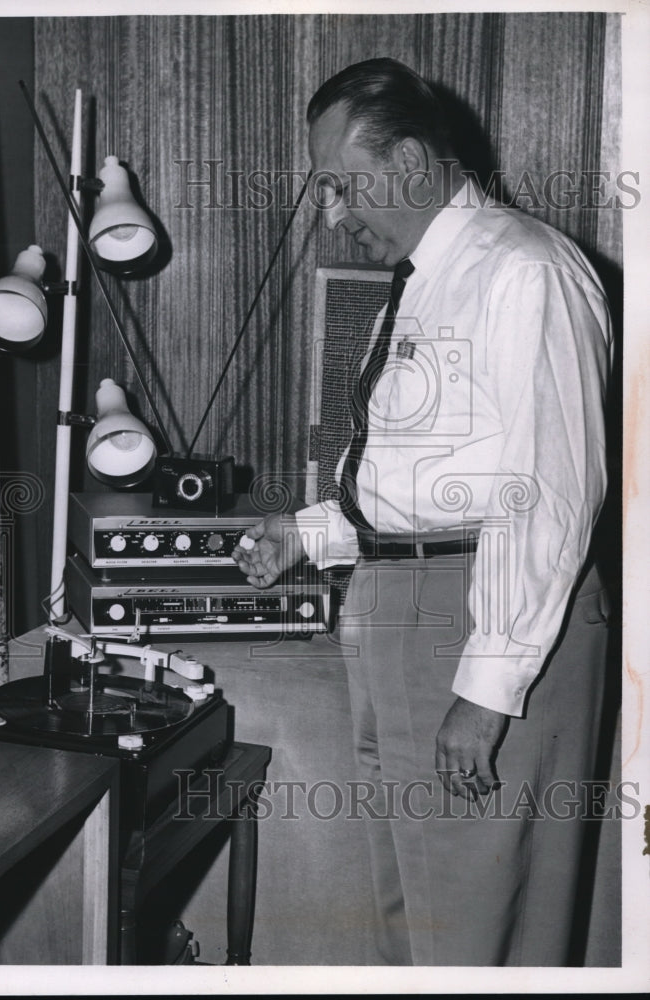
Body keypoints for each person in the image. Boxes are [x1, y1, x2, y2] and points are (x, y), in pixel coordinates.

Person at [233, 58, 613, 966]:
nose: (333, 212)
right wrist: (310, 532)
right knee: (421, 913)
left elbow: (548, 489)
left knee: (476, 923)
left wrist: (486, 691)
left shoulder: (523, 272)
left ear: (406, 159)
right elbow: (433, 481)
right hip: (406, 613)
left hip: (480, 619)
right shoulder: (420, 285)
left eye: (338, 182)